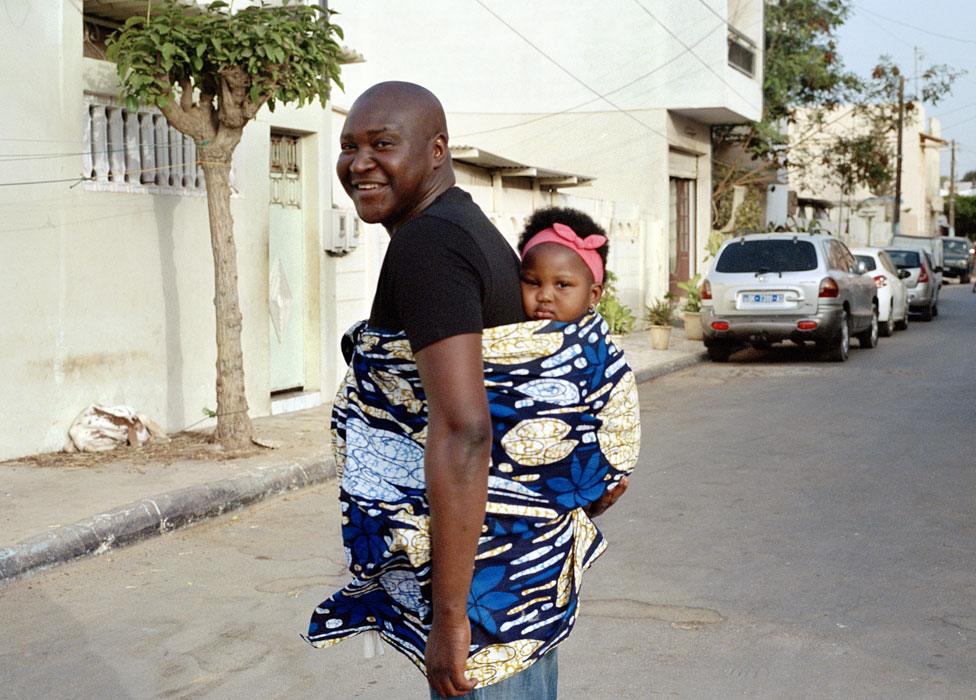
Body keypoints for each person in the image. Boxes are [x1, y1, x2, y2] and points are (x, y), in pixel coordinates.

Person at [306, 82, 639, 699]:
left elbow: (466, 430)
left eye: (383, 144)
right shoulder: (466, 227)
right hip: (522, 580)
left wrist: (453, 618)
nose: (359, 162)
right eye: (349, 145)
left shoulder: (428, 244)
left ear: (437, 150)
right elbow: (527, 392)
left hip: (485, 596)